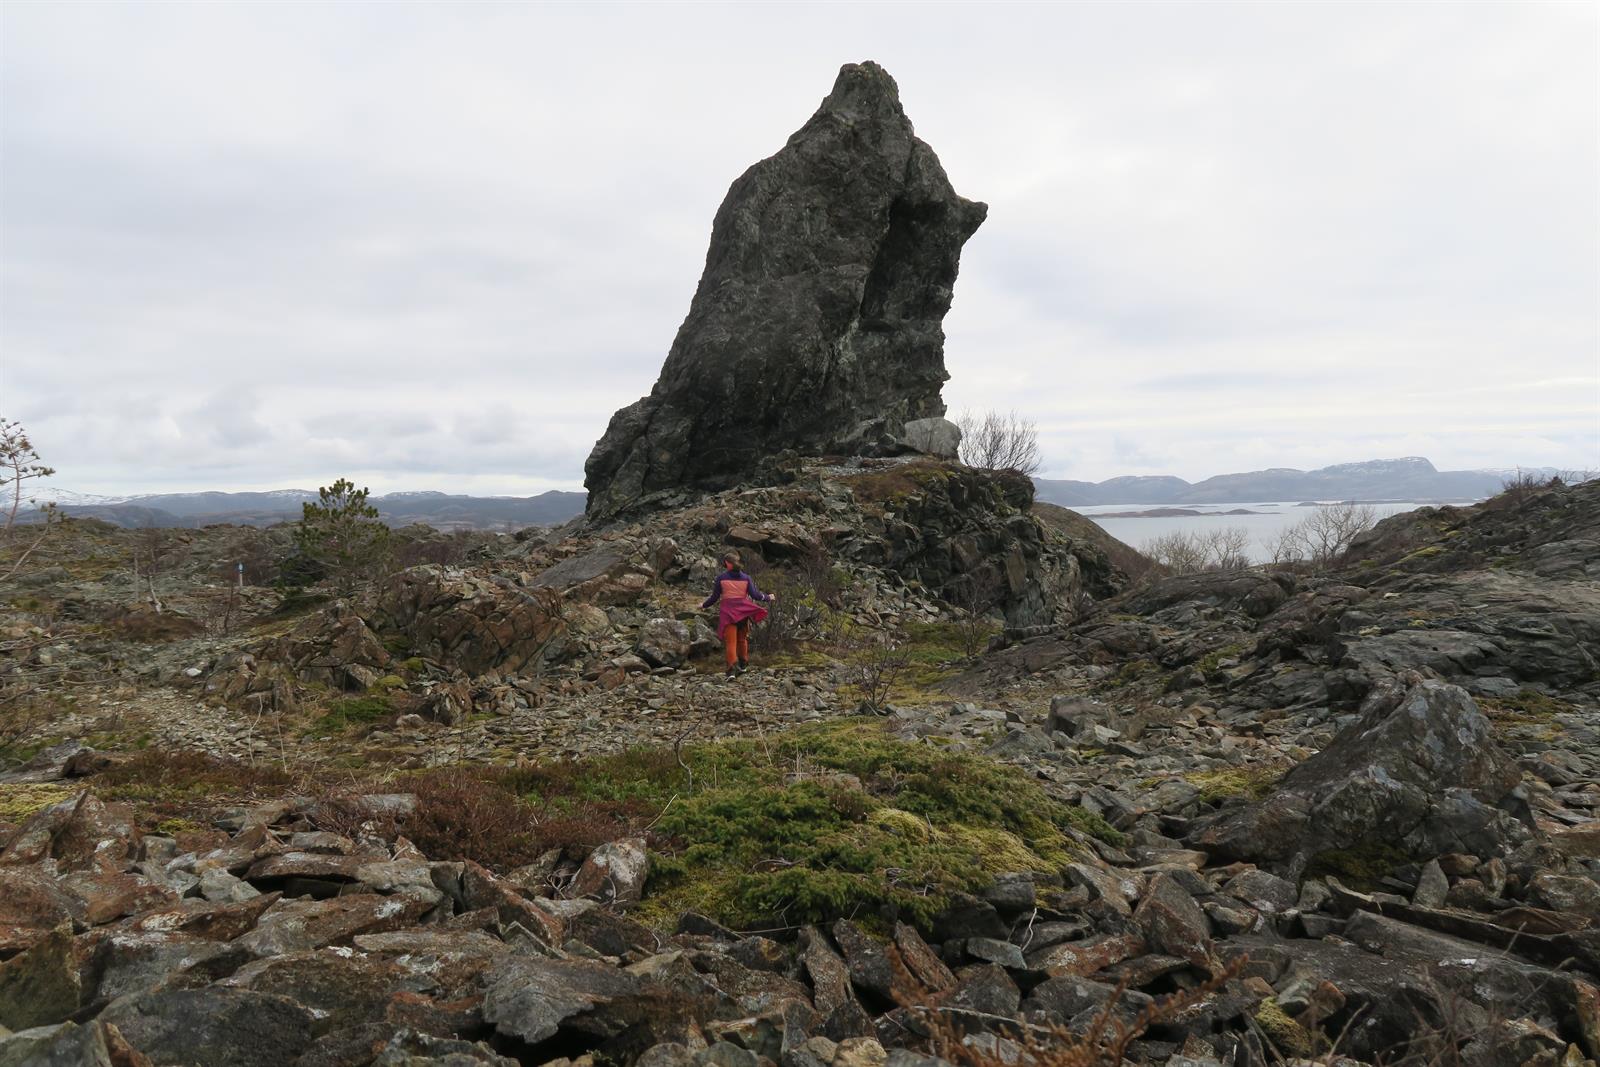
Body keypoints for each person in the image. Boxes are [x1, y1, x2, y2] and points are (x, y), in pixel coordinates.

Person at [701, 551, 775, 677]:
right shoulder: (746, 578)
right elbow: (755, 595)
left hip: (728, 614)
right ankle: (743, 665)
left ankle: (731, 670)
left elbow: (714, 598)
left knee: (731, 642)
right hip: (743, 613)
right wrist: (768, 597)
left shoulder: (721, 578)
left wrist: (703, 605)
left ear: (727, 563)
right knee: (742, 639)